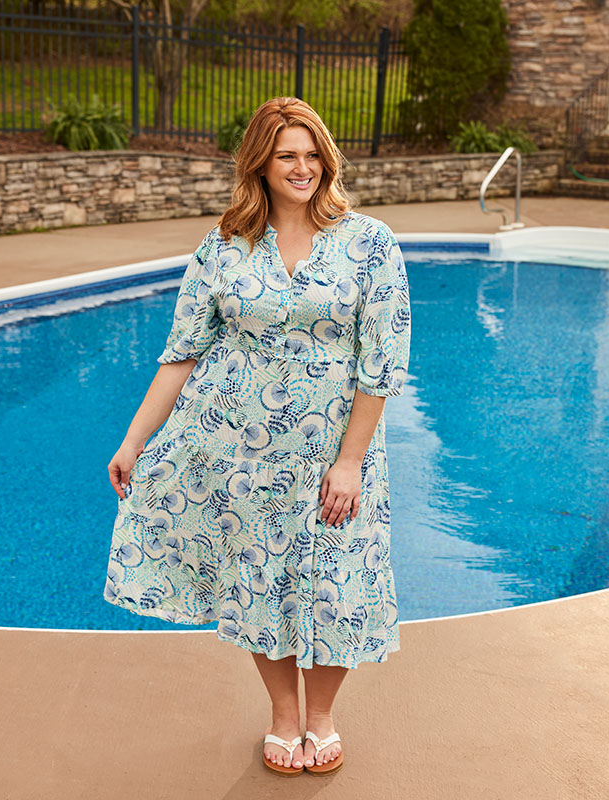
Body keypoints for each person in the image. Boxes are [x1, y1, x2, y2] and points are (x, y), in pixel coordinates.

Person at [104, 96, 411, 777]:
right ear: (261, 165)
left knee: (339, 576)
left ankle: (322, 717)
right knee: (258, 581)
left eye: (312, 155)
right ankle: (282, 715)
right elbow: (181, 352)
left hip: (337, 451)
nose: (302, 168)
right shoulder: (224, 246)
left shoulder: (371, 243)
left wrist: (352, 461)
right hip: (243, 452)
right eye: (287, 156)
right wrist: (133, 442)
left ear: (326, 162)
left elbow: (382, 362)